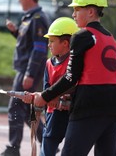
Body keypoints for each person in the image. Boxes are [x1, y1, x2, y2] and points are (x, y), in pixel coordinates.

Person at [29, 0, 116, 156]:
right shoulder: (110, 38)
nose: (73, 14)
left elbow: (71, 77)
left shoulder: (82, 36)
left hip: (89, 106)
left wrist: (44, 96)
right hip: (114, 106)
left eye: (77, 9)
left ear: (90, 11)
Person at [0, 0, 50, 156]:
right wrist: (15, 32)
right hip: (24, 69)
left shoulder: (37, 18)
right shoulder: (28, 18)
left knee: (15, 108)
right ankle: (49, 141)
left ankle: (13, 149)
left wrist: (29, 73)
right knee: (26, 110)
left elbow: (40, 49)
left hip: (27, 71)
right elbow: (28, 42)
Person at [23, 17, 78, 156]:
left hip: (73, 114)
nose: (49, 45)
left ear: (65, 43)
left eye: (52, 41)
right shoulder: (49, 63)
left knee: (73, 148)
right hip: (54, 114)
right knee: (48, 143)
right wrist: (40, 100)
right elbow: (47, 89)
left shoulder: (75, 63)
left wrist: (64, 100)